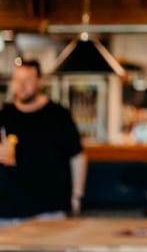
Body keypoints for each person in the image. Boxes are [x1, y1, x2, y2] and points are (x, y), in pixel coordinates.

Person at [0, 60, 87, 225]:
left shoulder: (59, 115)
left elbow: (77, 157)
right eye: (17, 80)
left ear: (40, 81)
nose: (21, 85)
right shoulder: (4, 115)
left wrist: (77, 196)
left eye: (28, 80)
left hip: (49, 210)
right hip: (8, 212)